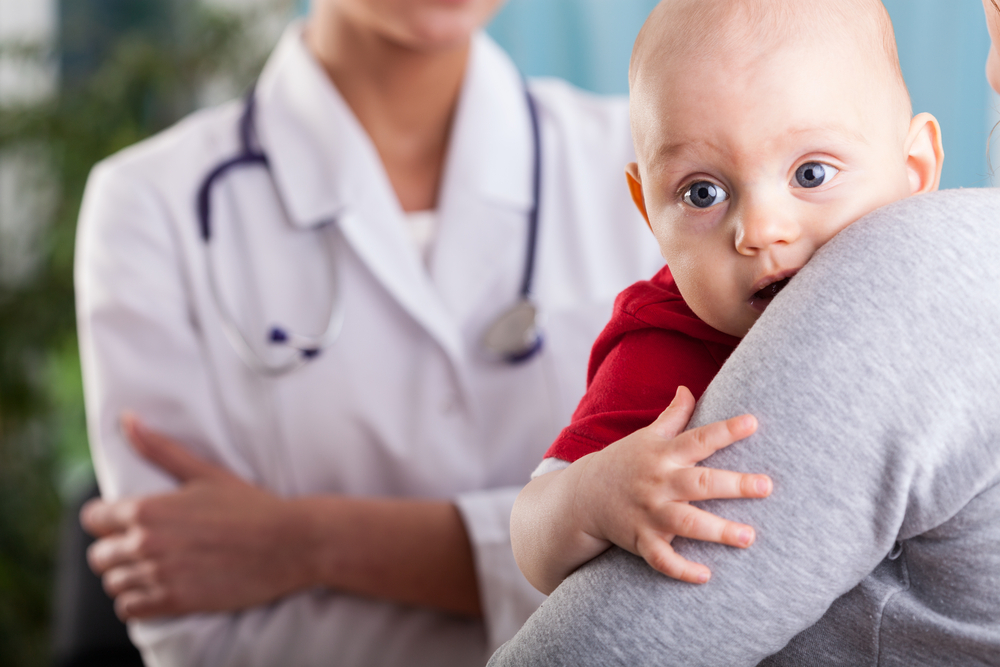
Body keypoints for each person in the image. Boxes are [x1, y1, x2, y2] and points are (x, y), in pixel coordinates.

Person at [73, 0, 770, 665]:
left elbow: (721, 553)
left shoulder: (673, 172)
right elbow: (204, 632)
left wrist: (307, 544)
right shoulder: (147, 210)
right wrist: (579, 533)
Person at [489, 0, 1000, 664]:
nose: (760, 229)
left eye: (811, 174)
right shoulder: (656, 344)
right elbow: (533, 535)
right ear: (649, 211)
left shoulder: (942, 293)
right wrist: (592, 494)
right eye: (703, 193)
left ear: (916, 170)